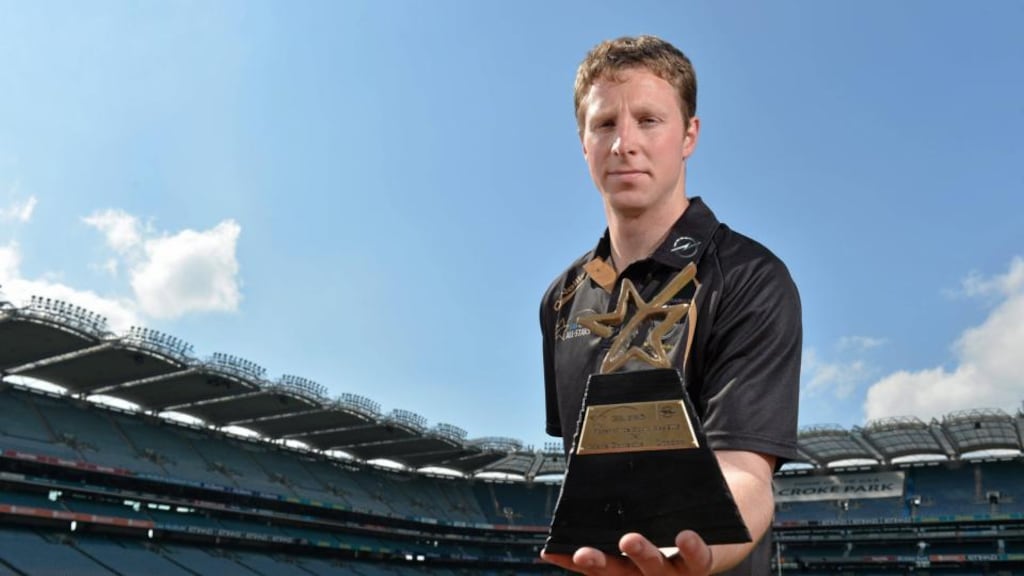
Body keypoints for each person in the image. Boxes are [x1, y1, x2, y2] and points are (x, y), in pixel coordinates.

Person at [539, 35, 801, 575]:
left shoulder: (752, 277)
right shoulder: (560, 299)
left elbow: (747, 473)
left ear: (689, 136)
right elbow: (580, 465)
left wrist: (693, 555)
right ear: (582, 142)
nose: (624, 143)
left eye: (649, 120)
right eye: (605, 124)